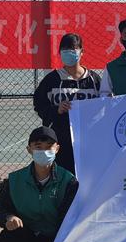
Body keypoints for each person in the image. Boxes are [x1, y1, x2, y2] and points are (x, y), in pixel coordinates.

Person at [32, 33, 101, 174]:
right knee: (64, 177)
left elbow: (104, 107)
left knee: (88, 175)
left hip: (89, 140)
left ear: (81, 51)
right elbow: (39, 106)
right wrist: (56, 110)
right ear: (59, 53)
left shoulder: (94, 80)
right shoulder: (52, 79)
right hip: (61, 140)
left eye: (73, 49)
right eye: (64, 50)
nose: (69, 53)